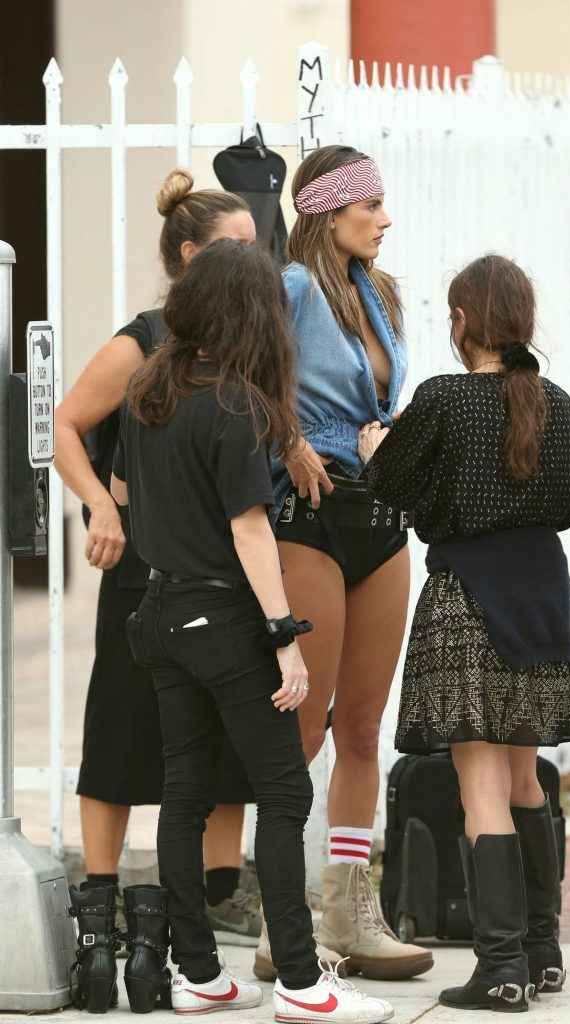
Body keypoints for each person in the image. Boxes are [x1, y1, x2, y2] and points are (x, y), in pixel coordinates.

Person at [111, 237, 395, 1022]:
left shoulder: (146, 392)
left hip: (159, 612)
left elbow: (123, 491)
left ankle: (198, 975)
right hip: (222, 616)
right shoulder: (237, 403)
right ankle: (301, 983)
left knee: (183, 793)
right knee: (282, 790)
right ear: (250, 315)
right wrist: (282, 635)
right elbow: (249, 529)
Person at [362, 254, 570, 1012]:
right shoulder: (554, 401)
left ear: (461, 321)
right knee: (524, 780)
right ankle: (541, 954)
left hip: (467, 596)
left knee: (480, 787)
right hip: (542, 597)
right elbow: (567, 505)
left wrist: (372, 450)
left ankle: (499, 968)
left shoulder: (444, 397)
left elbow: (389, 490)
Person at [54, 170, 261, 941]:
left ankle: (220, 891)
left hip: (226, 564)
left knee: (229, 725)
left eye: (255, 246)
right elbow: (64, 427)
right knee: (122, 718)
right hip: (143, 568)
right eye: (235, 247)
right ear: (189, 254)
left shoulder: (245, 345)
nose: (252, 261)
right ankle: (100, 896)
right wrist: (103, 506)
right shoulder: (138, 342)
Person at [256, 144, 432, 982]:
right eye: (371, 207)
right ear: (329, 213)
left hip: (379, 512)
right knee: (304, 724)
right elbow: (242, 377)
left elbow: (383, 402)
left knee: (362, 727)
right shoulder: (290, 288)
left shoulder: (380, 295)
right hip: (309, 512)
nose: (384, 220)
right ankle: (281, 916)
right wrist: (287, 438)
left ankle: (349, 908)